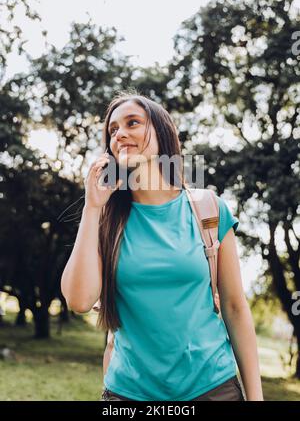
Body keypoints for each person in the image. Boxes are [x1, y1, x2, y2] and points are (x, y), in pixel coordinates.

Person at [61, 91, 264, 401]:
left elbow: (236, 309)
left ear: (161, 132)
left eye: (132, 123)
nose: (120, 134)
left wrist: (256, 397)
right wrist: (92, 208)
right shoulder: (106, 221)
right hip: (129, 395)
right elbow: (79, 301)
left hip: (212, 389)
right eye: (113, 130)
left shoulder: (209, 210)